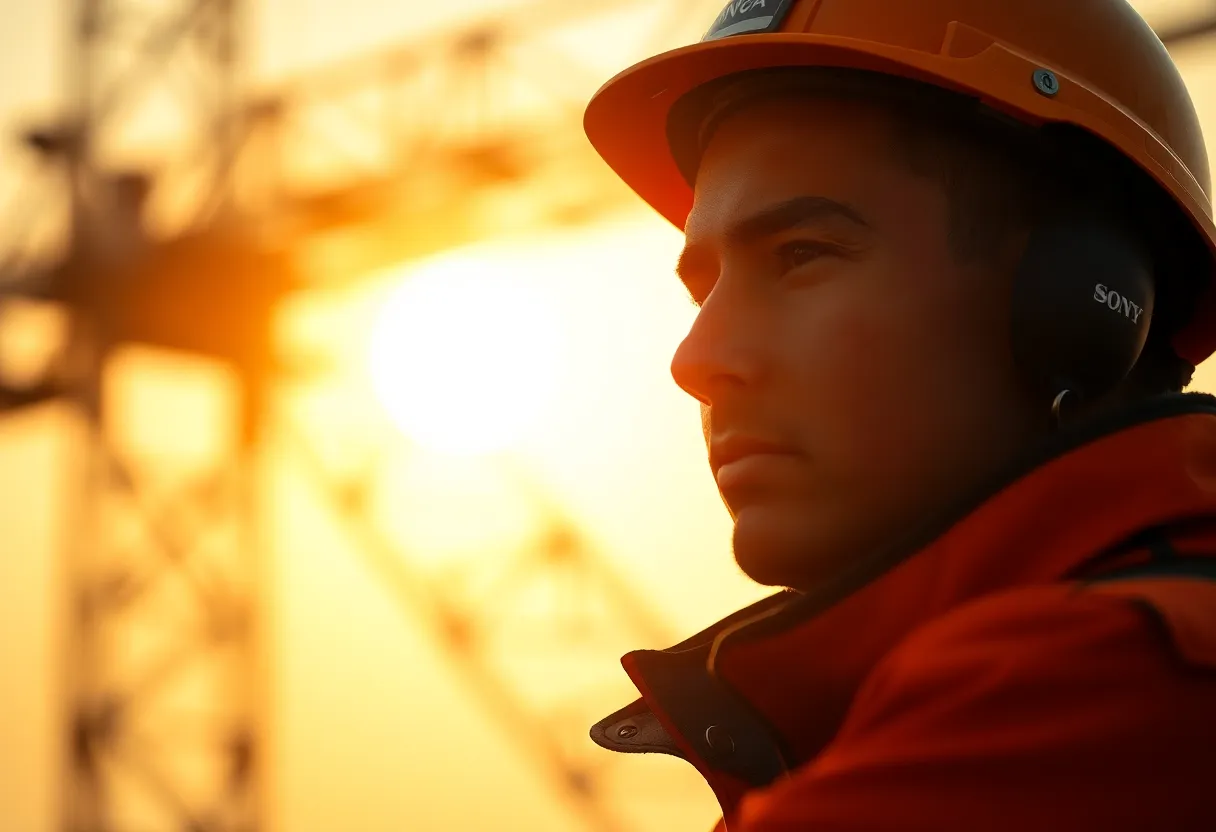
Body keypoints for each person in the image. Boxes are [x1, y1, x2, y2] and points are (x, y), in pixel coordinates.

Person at [584, 1, 1216, 830]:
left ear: (1084, 307)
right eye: (704, 287)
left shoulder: (1087, 698)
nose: (695, 362)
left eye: (800, 255)